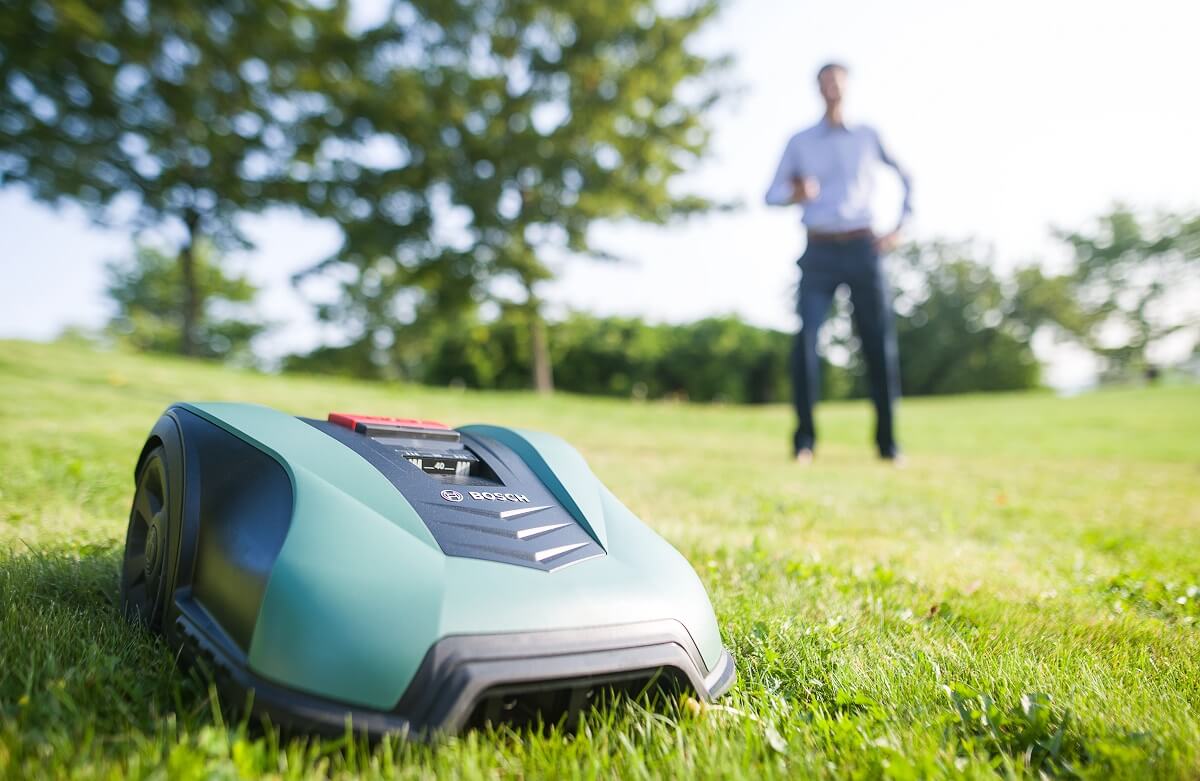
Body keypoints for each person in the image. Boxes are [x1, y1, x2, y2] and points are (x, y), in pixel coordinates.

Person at [765, 62, 912, 464]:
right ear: (817, 88)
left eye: (837, 80)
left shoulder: (867, 136)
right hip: (819, 250)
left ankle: (888, 445)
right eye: (824, 80)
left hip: (864, 246)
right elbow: (771, 194)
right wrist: (795, 192)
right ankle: (804, 443)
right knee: (806, 340)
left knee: (879, 343)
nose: (831, 86)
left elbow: (906, 177)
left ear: (846, 86)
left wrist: (899, 227)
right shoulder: (799, 141)